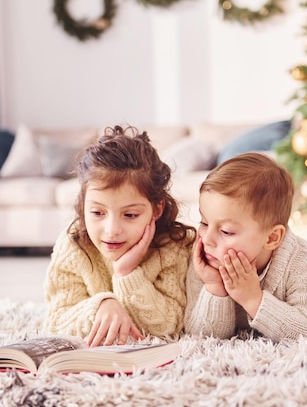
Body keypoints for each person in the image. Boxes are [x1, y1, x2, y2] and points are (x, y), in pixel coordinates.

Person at [43, 125, 196, 347]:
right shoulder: (74, 247)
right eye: (97, 213)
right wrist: (103, 305)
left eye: (130, 214)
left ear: (156, 210)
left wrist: (127, 274)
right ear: (83, 205)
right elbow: (55, 321)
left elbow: (169, 326)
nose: (112, 229)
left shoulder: (172, 249)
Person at [184, 152, 307, 342]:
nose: (207, 239)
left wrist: (253, 299)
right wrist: (215, 287)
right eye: (204, 223)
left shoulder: (303, 261)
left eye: (226, 232)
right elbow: (198, 336)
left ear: (271, 237)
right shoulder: (205, 259)